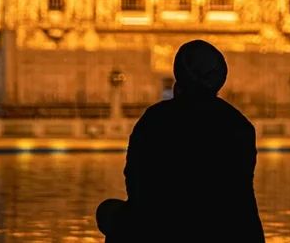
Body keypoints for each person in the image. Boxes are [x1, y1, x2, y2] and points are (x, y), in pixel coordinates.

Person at [96, 39, 265, 243]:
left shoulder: (157, 118)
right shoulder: (239, 125)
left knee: (109, 212)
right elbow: (242, 193)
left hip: (163, 226)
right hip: (226, 228)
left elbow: (135, 181)